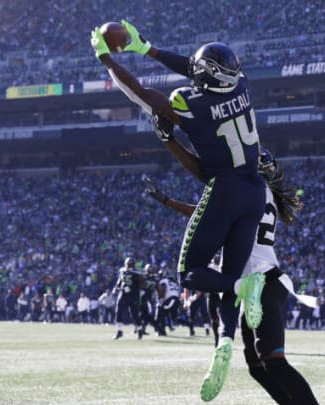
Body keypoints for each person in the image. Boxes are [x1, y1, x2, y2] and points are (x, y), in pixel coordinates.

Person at [91, 21, 267, 393]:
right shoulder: (243, 84)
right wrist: (148, 50)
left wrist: (107, 59)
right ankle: (224, 343)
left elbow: (141, 94)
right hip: (255, 191)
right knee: (228, 283)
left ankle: (243, 287)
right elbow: (196, 71)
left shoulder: (191, 103)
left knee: (191, 274)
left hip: (225, 189)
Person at [144, 147, 318, 403]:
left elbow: (209, 214)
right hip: (258, 283)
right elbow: (211, 214)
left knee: (275, 363)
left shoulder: (250, 192)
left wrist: (168, 201)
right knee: (258, 367)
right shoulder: (261, 192)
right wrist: (168, 202)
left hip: (263, 282)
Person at [112, 257, 143, 340]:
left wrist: (132, 289)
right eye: (128, 264)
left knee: (134, 314)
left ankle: (140, 329)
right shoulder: (122, 271)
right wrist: (116, 287)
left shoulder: (136, 273)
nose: (128, 266)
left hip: (133, 295)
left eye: (130, 264)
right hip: (123, 293)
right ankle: (119, 331)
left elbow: (141, 285)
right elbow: (120, 280)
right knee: (118, 311)